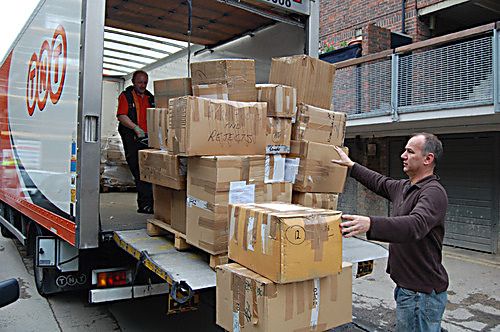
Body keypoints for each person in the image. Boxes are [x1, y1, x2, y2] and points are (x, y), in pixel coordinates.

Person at [332, 133, 448, 331]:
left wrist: (371, 223)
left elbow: (415, 225)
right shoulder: (405, 187)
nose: (403, 155)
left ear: (428, 159)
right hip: (407, 289)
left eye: (410, 152)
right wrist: (351, 166)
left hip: (421, 294)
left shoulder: (433, 192)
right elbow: (379, 182)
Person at [116, 70, 155, 214]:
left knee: (149, 172)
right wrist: (136, 128)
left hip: (148, 140)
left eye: (145, 82)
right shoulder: (126, 96)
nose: (143, 85)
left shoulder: (150, 97)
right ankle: (144, 205)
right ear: (133, 82)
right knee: (139, 172)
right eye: (140, 82)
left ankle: (151, 203)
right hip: (133, 140)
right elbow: (121, 116)